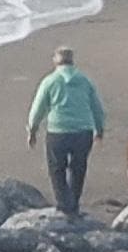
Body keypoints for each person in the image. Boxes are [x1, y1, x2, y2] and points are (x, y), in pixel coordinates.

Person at [26, 45, 107, 215]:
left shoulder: (50, 81)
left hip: (58, 131)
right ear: (72, 60)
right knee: (78, 167)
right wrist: (99, 129)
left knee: (57, 168)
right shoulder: (85, 81)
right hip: (83, 131)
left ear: (56, 60)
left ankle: (63, 204)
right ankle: (74, 202)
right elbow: (97, 108)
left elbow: (38, 108)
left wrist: (32, 129)